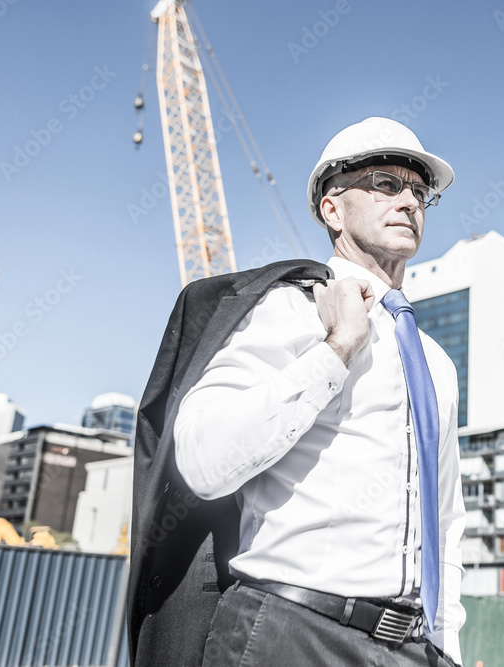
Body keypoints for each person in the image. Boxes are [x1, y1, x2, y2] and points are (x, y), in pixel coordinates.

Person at [172, 117, 465, 666]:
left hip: (411, 649)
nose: (409, 201)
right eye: (384, 183)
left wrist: (445, 644)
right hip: (289, 633)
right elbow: (200, 460)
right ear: (332, 209)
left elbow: (445, 518)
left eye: (419, 191)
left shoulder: (437, 364)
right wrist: (335, 350)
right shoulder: (287, 310)